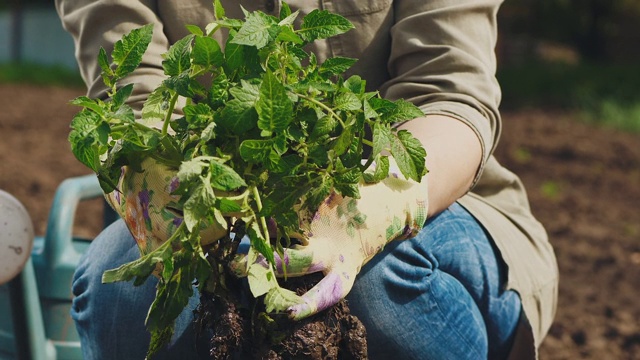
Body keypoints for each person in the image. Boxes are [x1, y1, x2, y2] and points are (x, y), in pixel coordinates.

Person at [55, 1, 558, 359]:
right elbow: (133, 91)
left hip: (433, 192)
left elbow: (449, 95)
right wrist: (174, 195)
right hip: (226, 198)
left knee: (376, 286)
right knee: (121, 297)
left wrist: (368, 214)